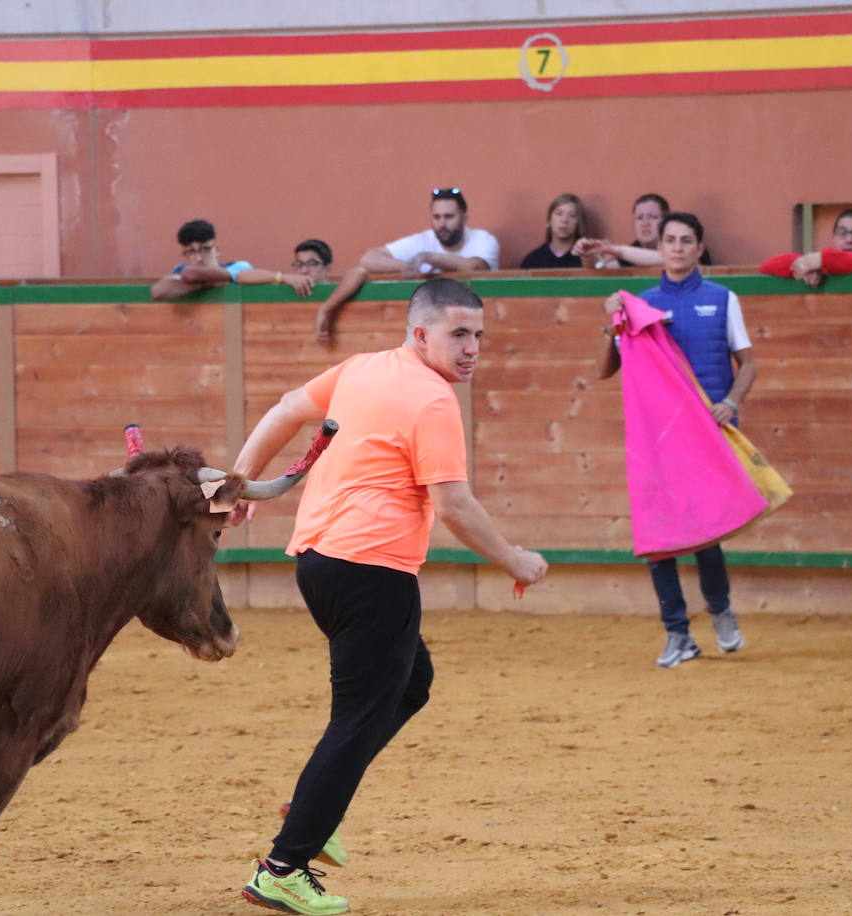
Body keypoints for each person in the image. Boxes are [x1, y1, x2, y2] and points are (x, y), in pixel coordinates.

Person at [234, 277, 547, 914]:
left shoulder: (362, 368)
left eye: (479, 335)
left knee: (410, 683)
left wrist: (242, 482)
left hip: (321, 565)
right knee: (358, 716)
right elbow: (454, 505)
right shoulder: (433, 402)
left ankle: (316, 804)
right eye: (459, 334)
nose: (471, 349)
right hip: (372, 572)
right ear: (421, 333)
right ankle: (283, 867)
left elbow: (285, 411)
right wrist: (518, 560)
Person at [595, 212, 756, 669]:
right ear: (660, 248)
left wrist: (730, 400)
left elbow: (749, 363)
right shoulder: (639, 304)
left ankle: (721, 612)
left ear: (699, 248)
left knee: (705, 533)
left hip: (708, 430)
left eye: (687, 240)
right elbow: (604, 369)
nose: (678, 248)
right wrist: (611, 324)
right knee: (659, 536)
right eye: (670, 240)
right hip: (658, 437)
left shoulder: (722, 298)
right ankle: (677, 633)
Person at [313, 188, 499, 344]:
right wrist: (408, 266)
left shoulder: (483, 239)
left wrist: (427, 257)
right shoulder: (421, 240)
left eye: (449, 216)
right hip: (429, 331)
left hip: (479, 331)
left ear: (464, 217)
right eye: (436, 217)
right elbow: (368, 260)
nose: (442, 223)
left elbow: (475, 268)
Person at [150, 219, 318, 301]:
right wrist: (205, 282)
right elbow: (159, 292)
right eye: (191, 252)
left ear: (217, 249)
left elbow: (191, 274)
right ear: (184, 255)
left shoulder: (238, 266)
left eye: (206, 249)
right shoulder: (180, 270)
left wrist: (195, 281)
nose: (199, 257)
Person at [759, 208, 852, 288]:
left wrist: (821, 260)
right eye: (842, 233)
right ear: (833, 238)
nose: (849, 239)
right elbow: (767, 266)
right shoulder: (823, 265)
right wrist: (805, 267)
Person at [574, 193, 713, 268]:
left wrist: (619, 251)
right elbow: (603, 269)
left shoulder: (687, 245)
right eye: (639, 218)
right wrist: (588, 254)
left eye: (652, 217)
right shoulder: (631, 250)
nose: (645, 224)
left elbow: (670, 258)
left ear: (666, 221)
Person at [519, 193, 585, 269]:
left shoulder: (586, 260)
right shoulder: (533, 260)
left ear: (579, 223)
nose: (564, 220)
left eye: (572, 215)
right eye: (559, 214)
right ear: (549, 220)